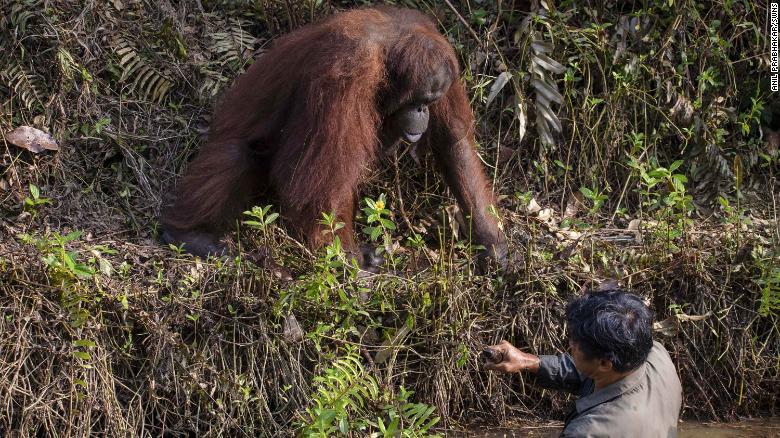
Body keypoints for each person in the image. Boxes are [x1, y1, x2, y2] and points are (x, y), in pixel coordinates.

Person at [484, 289, 682, 437]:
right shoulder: (654, 353)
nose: (570, 344)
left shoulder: (588, 432)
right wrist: (528, 361)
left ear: (605, 363)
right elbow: (591, 373)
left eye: (576, 345)